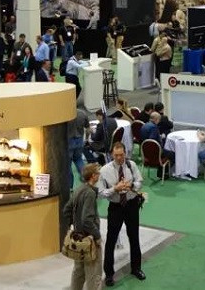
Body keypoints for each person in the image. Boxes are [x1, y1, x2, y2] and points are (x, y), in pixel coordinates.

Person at [98, 142, 145, 286]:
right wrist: (115, 189)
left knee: (134, 237)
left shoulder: (132, 165)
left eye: (121, 155)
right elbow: (101, 193)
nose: (119, 158)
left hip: (131, 205)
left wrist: (131, 185)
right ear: (112, 154)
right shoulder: (104, 170)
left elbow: (139, 181)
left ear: (125, 153)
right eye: (116, 155)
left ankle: (136, 268)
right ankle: (109, 274)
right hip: (116, 207)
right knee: (111, 240)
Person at [63, 163, 103, 290]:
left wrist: (73, 226)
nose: (99, 175)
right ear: (93, 176)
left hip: (78, 237)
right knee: (93, 273)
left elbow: (66, 210)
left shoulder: (78, 189)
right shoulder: (90, 193)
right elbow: (87, 220)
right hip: (89, 240)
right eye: (98, 173)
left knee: (78, 271)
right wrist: (97, 236)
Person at [67, 100, 91, 189]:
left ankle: (70, 187)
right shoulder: (83, 114)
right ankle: (87, 181)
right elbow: (88, 129)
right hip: (79, 140)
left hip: (69, 141)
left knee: (68, 164)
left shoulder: (66, 115)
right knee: (79, 160)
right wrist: (87, 139)